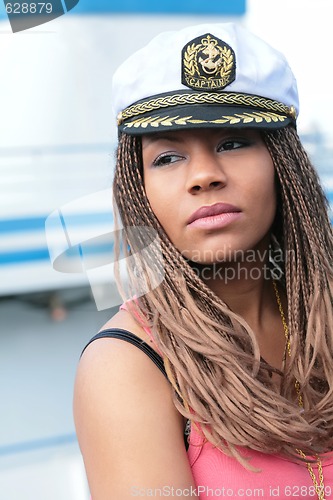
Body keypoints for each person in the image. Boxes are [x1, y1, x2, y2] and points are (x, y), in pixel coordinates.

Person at [73, 23, 333, 499]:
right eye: (168, 157)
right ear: (139, 189)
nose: (204, 176)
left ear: (284, 164)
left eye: (233, 143)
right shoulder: (128, 366)